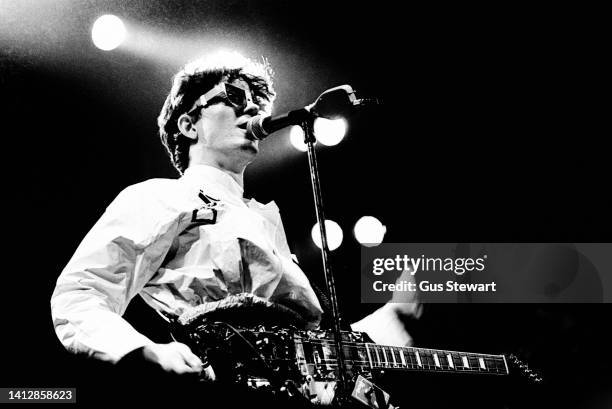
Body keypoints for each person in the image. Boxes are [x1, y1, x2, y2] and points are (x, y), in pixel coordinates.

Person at [50, 52, 419, 388]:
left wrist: (399, 312)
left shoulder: (261, 217)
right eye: (235, 98)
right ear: (188, 125)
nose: (254, 111)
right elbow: (79, 293)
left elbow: (312, 348)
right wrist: (143, 351)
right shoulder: (159, 197)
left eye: (258, 102)